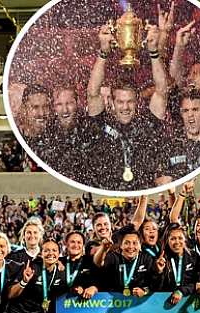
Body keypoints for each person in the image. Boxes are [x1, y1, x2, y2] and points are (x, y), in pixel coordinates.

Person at [86, 22, 169, 190]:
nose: (125, 107)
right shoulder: (102, 123)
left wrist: (153, 52)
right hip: (108, 192)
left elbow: (162, 91)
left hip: (142, 194)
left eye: (130, 101)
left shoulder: (147, 124)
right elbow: (92, 93)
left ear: (137, 102)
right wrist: (103, 52)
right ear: (111, 102)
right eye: (120, 102)